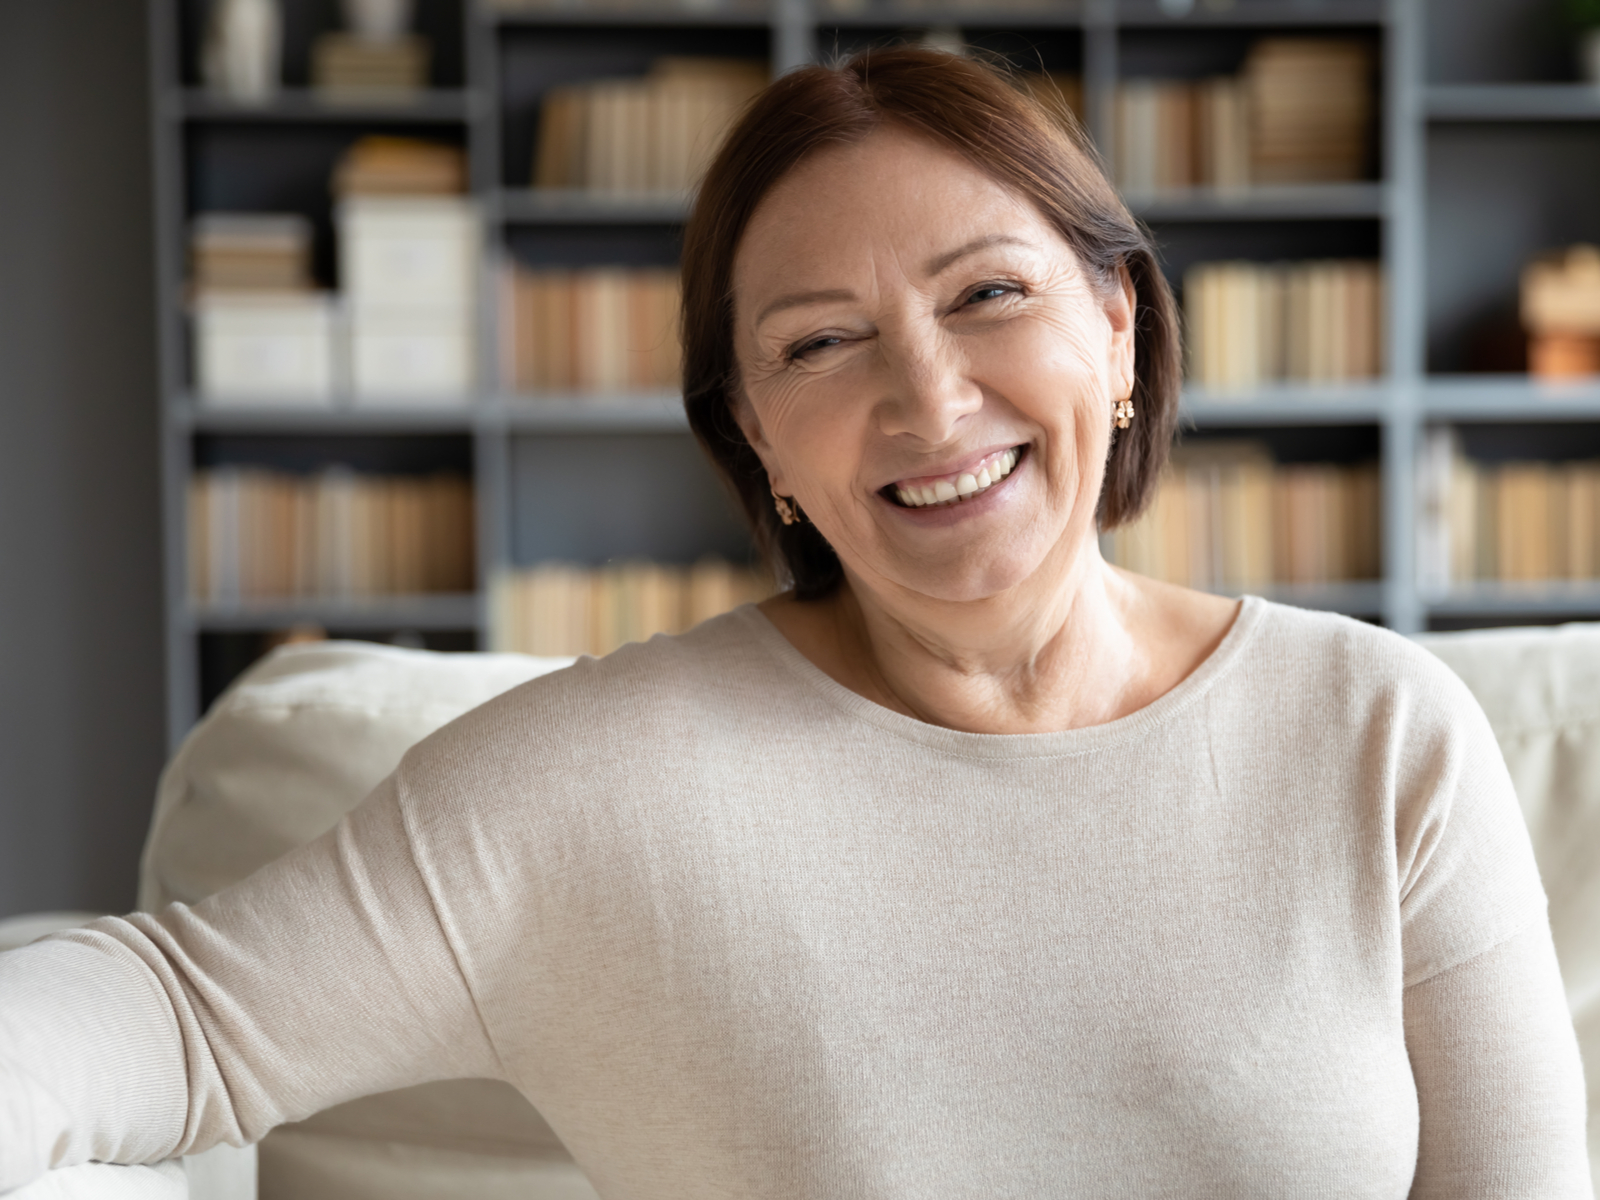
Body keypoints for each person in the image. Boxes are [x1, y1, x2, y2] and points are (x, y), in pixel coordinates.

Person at [0, 47, 1590, 1198]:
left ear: (1119, 328)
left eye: (989, 296)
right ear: (757, 438)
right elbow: (179, 1018)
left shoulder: (1382, 734)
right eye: (822, 344)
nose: (928, 399)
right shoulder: (596, 783)